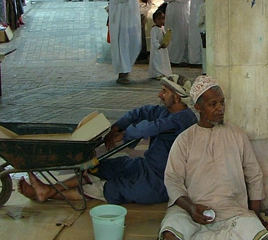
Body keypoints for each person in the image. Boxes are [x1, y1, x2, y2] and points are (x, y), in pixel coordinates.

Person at [133, 75, 268, 240]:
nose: (220, 108)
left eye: (222, 102)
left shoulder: (237, 135)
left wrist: (256, 211)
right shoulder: (185, 139)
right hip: (192, 208)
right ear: (198, 107)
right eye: (213, 104)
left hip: (230, 209)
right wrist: (190, 207)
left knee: (252, 228)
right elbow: (172, 179)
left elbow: (254, 173)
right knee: (173, 224)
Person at [17, 75, 198, 206]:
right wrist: (117, 127)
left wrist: (124, 135)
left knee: (110, 188)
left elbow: (151, 127)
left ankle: (48, 192)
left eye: (164, 92)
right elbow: (140, 113)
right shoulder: (165, 110)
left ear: (176, 97)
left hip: (159, 182)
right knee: (104, 167)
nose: (160, 95)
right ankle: (49, 188)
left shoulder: (184, 119)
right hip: (145, 167)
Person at [108, 0, 141, 85]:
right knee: (122, 46)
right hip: (120, 21)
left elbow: (134, 1)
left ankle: (127, 71)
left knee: (134, 44)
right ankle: (122, 74)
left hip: (132, 20)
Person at [162, 0, 192, 65]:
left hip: (184, 11)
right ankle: (172, 59)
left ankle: (184, 59)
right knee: (172, 35)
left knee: (184, 34)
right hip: (172, 11)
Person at [148, 6, 172, 79]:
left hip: (163, 48)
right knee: (157, 62)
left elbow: (164, 36)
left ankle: (164, 72)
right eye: (159, 19)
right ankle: (157, 74)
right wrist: (158, 46)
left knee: (163, 61)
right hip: (157, 49)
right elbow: (154, 40)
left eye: (163, 19)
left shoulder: (162, 28)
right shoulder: (154, 29)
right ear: (155, 20)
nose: (161, 21)